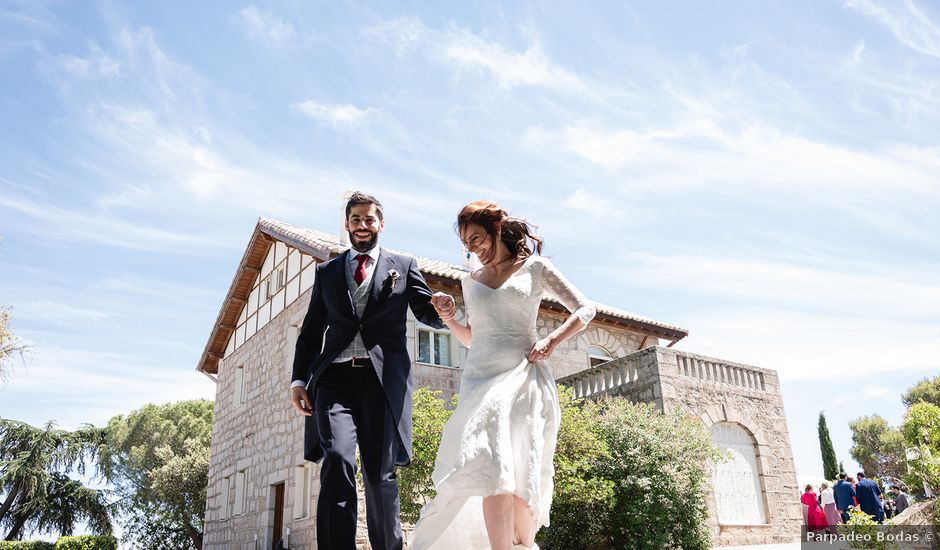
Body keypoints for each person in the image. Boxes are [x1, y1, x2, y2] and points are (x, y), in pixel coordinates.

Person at [409, 200, 596, 550]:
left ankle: (524, 544)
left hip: (523, 375)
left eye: (477, 238)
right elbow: (471, 338)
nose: (473, 248)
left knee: (521, 468)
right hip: (480, 379)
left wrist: (552, 340)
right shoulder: (470, 281)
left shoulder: (535, 268)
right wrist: (449, 318)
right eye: (466, 244)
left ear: (497, 230)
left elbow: (586, 309)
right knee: (489, 463)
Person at [289, 192, 445, 550]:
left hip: (381, 381)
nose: (363, 225)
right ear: (346, 224)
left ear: (381, 224)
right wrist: (299, 380)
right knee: (338, 460)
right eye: (356, 219)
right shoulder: (327, 272)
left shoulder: (403, 265)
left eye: (369, 219)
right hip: (334, 380)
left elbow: (425, 311)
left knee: (379, 473)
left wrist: (444, 308)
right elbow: (312, 331)